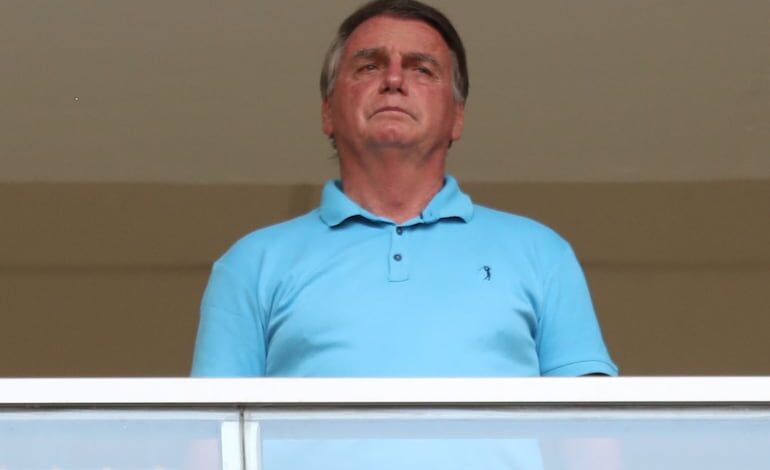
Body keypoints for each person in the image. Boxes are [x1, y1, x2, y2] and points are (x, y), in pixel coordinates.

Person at [191, 0, 617, 378]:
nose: (394, 79)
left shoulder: (542, 254)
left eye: (421, 69)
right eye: (369, 66)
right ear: (328, 112)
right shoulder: (251, 264)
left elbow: (592, 431)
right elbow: (211, 435)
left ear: (457, 117)